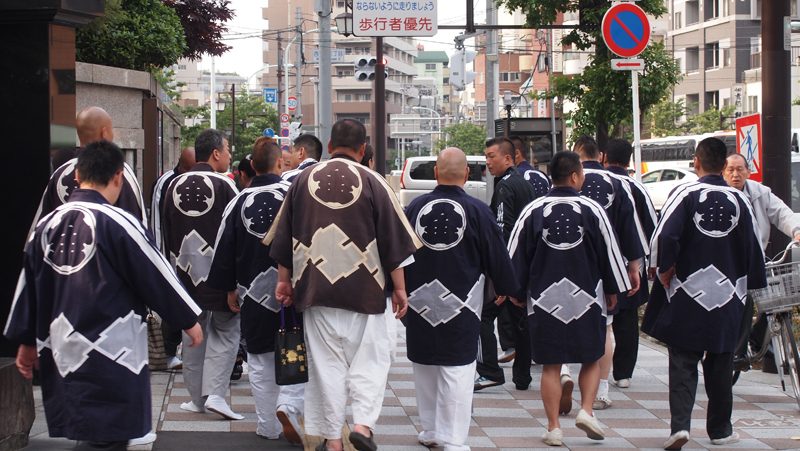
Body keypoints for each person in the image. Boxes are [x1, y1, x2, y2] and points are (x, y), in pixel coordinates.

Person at [5, 140, 203, 451]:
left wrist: (27, 341)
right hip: (113, 349)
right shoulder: (119, 221)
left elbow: (28, 287)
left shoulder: (46, 224)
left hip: (63, 347)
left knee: (89, 429)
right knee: (109, 435)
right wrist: (187, 319)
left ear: (77, 176)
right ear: (118, 177)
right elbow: (154, 273)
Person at [265, 118, 421, 451]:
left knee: (326, 370)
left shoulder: (302, 181)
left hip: (316, 291)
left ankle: (333, 439)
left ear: (330, 144)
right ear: (363, 149)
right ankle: (363, 424)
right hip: (368, 293)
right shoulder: (375, 182)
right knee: (372, 360)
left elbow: (284, 237)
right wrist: (400, 290)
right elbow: (394, 246)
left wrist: (283, 281)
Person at [642, 137, 766, 450]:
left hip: (688, 291)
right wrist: (750, 285)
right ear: (724, 166)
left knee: (683, 359)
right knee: (721, 361)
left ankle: (680, 427)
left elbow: (664, 236)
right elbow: (753, 250)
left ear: (696, 162)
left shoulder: (684, 193)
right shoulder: (740, 201)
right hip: (728, 294)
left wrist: (662, 268)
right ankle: (720, 430)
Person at [508, 150, 631, 446]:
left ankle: (553, 427)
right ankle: (587, 410)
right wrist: (615, 290)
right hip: (587, 297)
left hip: (543, 299)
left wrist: (515, 291)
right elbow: (611, 256)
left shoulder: (533, 210)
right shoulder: (593, 210)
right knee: (590, 357)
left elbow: (513, 255)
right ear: (575, 176)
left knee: (551, 365)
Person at [404, 147, 520, 450]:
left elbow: (396, 254)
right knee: (458, 367)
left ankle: (430, 429)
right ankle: (453, 439)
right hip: (463, 301)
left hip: (419, 300)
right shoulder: (478, 211)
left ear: (435, 173)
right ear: (467, 174)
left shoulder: (415, 208)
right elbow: (497, 255)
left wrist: (396, 292)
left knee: (424, 364)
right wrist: (508, 287)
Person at [206, 137, 304, 443]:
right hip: (291, 290)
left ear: (252, 166)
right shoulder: (295, 195)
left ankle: (267, 426)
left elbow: (223, 248)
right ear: (280, 163)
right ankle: (289, 405)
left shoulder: (238, 202)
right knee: (294, 350)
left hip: (252, 293)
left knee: (259, 358)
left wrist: (227, 289)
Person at [161, 128, 243, 420]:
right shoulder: (226, 186)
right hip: (220, 278)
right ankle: (216, 395)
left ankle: (196, 398)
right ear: (216, 153)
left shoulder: (172, 184)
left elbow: (163, 233)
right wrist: (234, 281)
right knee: (225, 333)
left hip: (183, 276)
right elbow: (235, 237)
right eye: (228, 148)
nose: (230, 155)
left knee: (192, 335)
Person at [573, 135, 644, 413]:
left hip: (568, 263)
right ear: (599, 155)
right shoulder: (618, 184)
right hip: (607, 265)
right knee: (605, 327)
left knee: (566, 320)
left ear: (577, 157)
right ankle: (601, 390)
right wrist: (634, 264)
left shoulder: (566, 181)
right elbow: (630, 227)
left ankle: (565, 371)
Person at [723, 152, 800, 373]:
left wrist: (796, 231)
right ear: (723, 172)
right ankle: (737, 353)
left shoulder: (760, 193)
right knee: (745, 298)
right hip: (728, 261)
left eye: (740, 169)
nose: (736, 174)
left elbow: (782, 213)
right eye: (731, 170)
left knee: (779, 294)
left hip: (756, 256)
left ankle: (757, 340)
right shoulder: (720, 193)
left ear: (748, 171)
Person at [475, 137, 536, 392]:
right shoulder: (525, 184)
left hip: (508, 267)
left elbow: (503, 230)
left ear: (508, 158)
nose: (488, 162)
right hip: (526, 265)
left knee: (483, 315)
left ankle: (489, 371)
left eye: (491, 156)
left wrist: (499, 274)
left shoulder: (505, 187)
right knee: (522, 321)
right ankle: (522, 377)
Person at [31, 106, 147, 229]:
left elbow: (41, 225)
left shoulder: (60, 173)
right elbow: (138, 224)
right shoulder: (118, 170)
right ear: (104, 133)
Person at [603, 139, 658, 388]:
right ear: (629, 161)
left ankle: (593, 369)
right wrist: (651, 262)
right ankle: (623, 372)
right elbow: (652, 227)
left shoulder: (595, 183)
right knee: (626, 319)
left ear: (604, 157)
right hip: (629, 262)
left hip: (598, 264)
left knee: (600, 319)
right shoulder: (635, 187)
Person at [150, 146, 196, 371]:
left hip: (196, 252)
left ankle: (188, 351)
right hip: (171, 253)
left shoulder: (208, 180)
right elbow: (157, 221)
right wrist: (161, 255)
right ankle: (168, 351)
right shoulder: (166, 182)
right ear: (183, 166)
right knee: (173, 301)